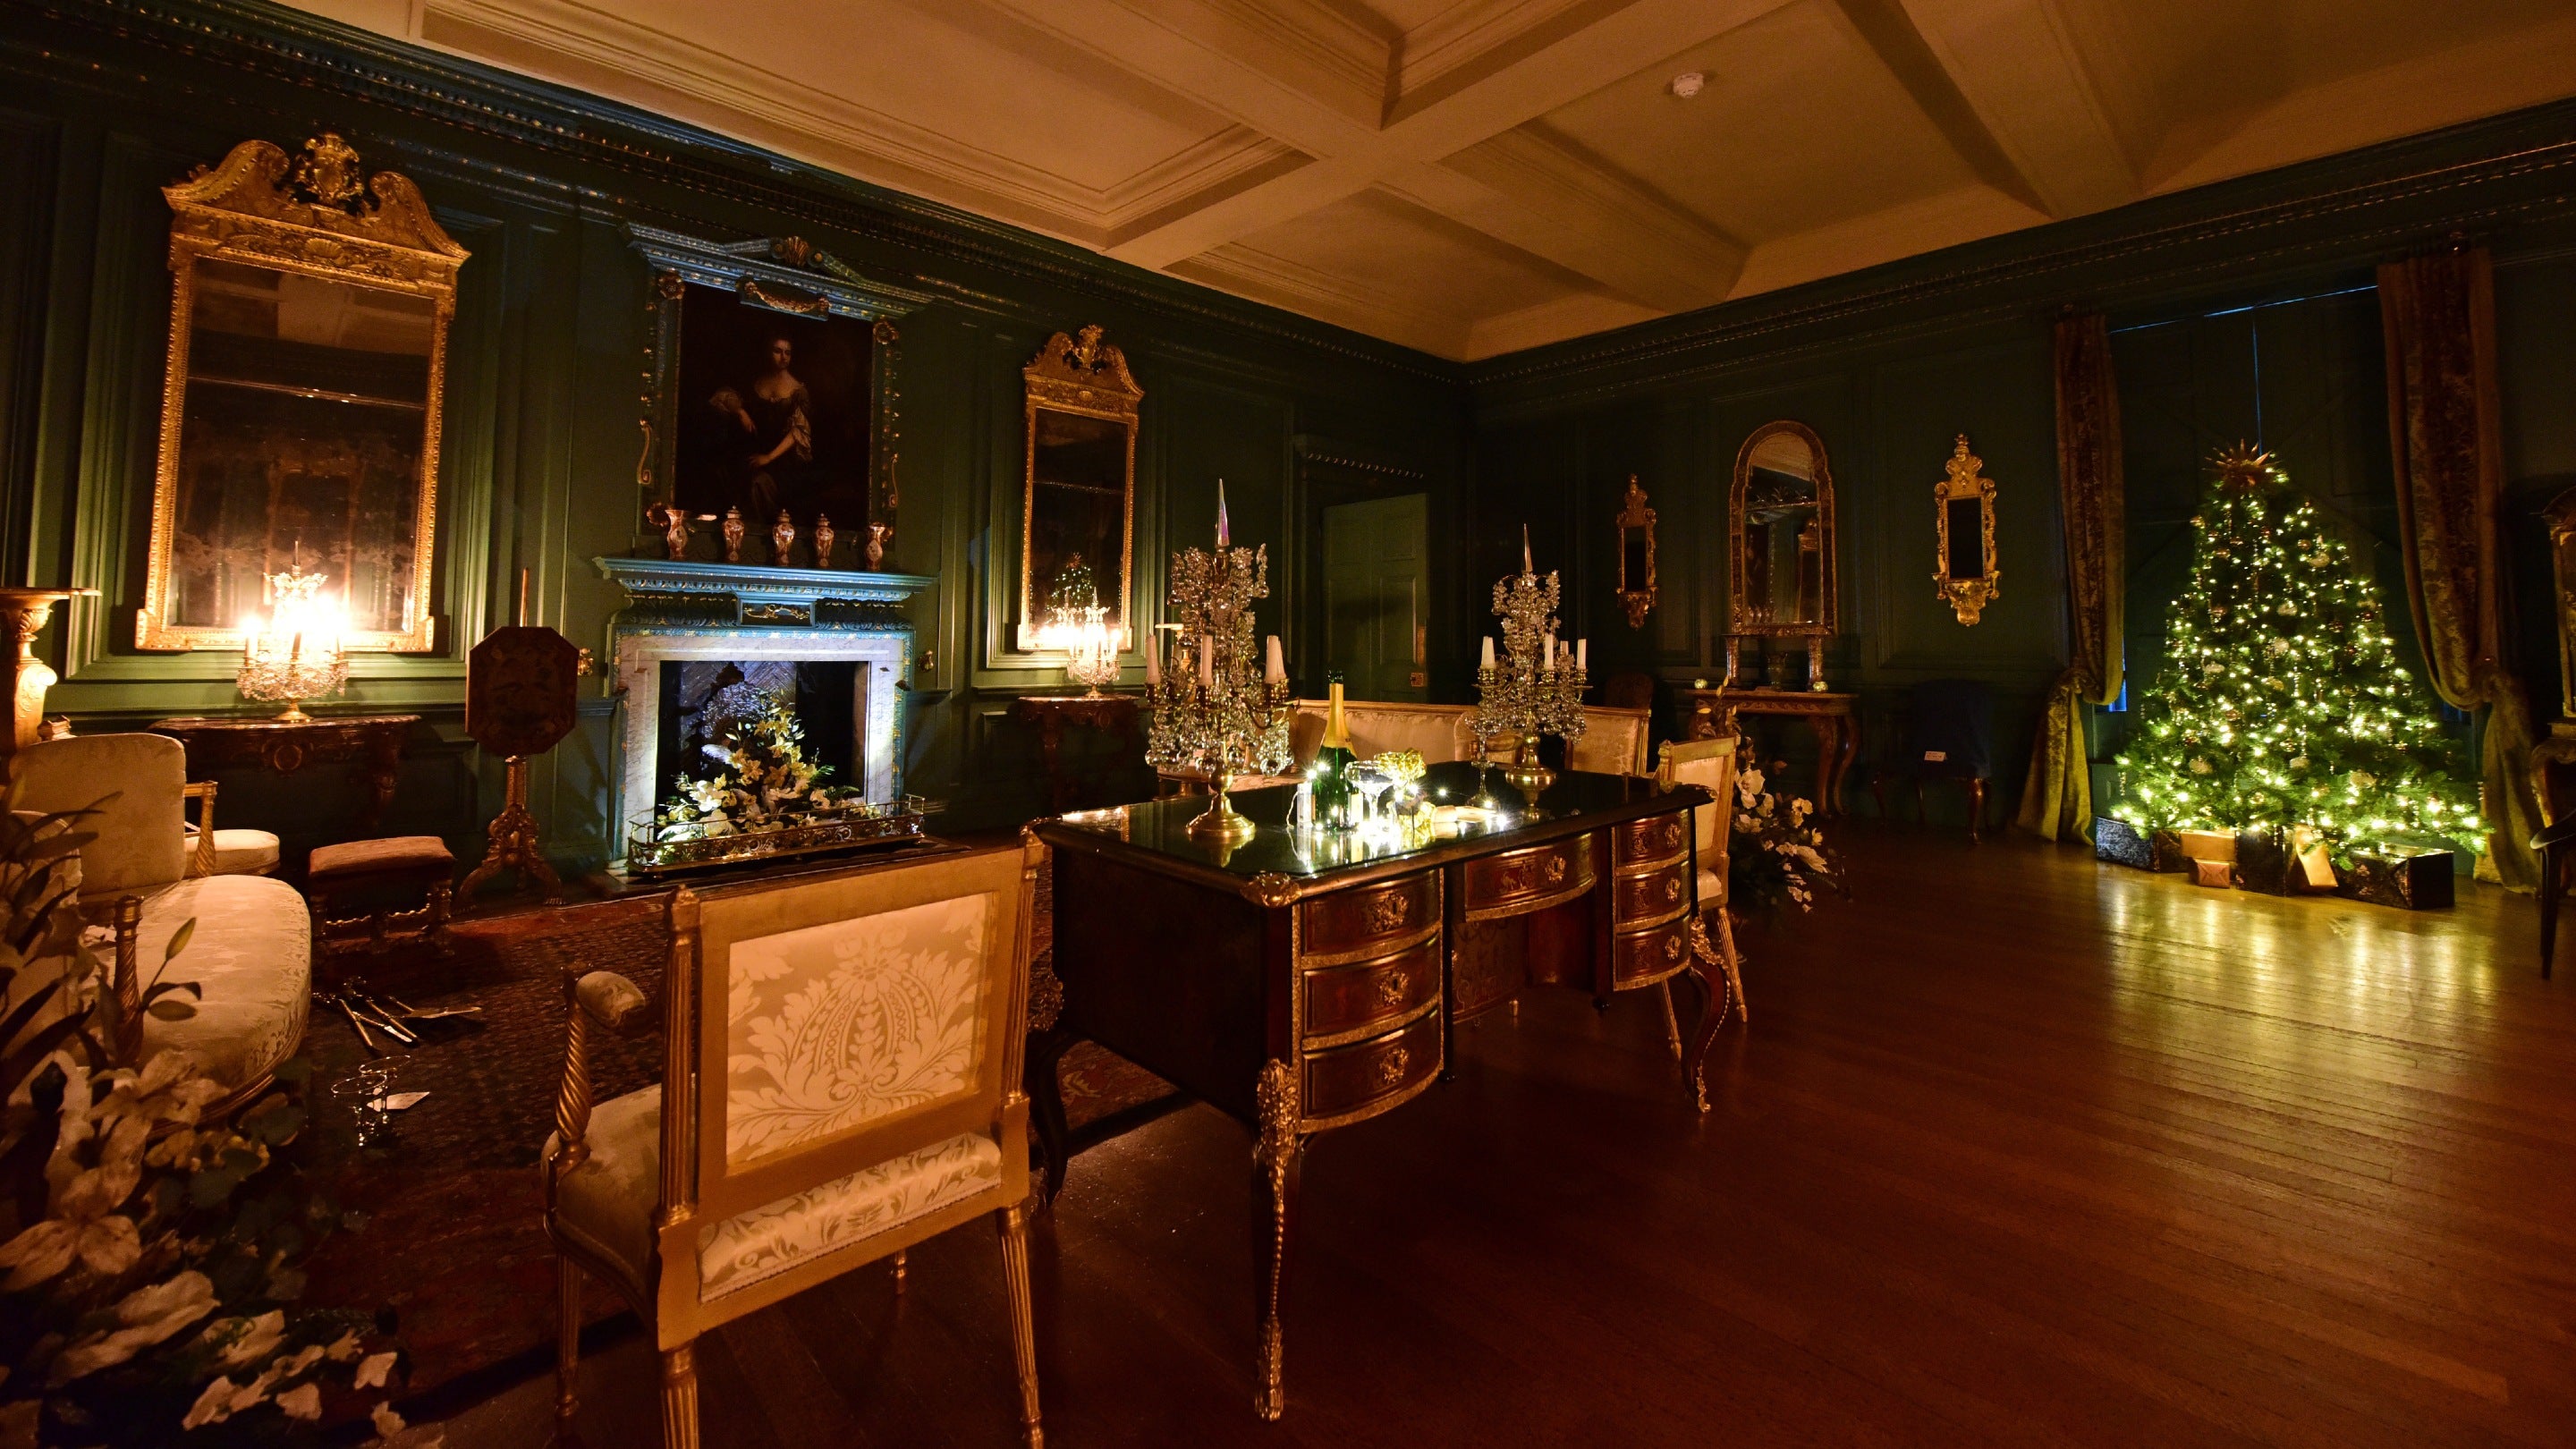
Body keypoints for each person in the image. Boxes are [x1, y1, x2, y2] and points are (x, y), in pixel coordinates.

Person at [708, 331, 812, 521]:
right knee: (722, 472)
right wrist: (741, 412)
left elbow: (797, 432)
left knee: (759, 484)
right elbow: (724, 396)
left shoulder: (798, 391)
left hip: (782, 460)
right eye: (777, 351)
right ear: (768, 352)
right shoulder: (755, 382)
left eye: (787, 353)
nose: (783, 357)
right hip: (752, 451)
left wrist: (769, 457)